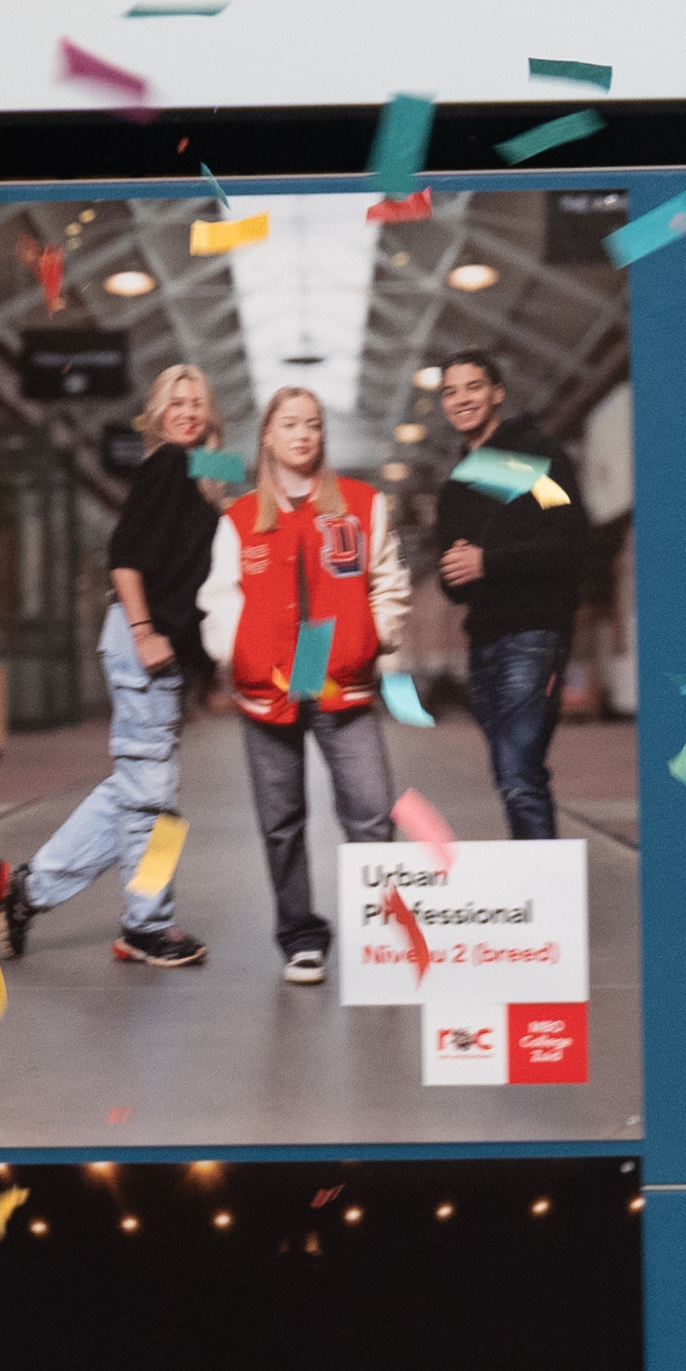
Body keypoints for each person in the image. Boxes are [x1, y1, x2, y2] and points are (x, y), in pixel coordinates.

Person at [0, 363, 221, 973]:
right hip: (141, 637)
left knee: (135, 790)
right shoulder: (167, 464)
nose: (188, 411)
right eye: (175, 401)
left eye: (197, 401)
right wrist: (146, 630)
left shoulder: (199, 472)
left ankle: (28, 889)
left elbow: (247, 490)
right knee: (153, 798)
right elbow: (124, 558)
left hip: (160, 646)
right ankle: (145, 925)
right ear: (156, 413)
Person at [216, 387, 407, 986]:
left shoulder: (362, 505)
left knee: (372, 813)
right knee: (282, 819)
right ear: (267, 436)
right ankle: (301, 937)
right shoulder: (241, 518)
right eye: (290, 424)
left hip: (339, 678)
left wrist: (372, 636)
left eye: (314, 425)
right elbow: (219, 598)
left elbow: (388, 581)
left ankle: (381, 938)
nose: (303, 434)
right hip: (267, 683)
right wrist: (238, 651)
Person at [427, 349, 587, 839]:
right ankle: (537, 885)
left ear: (497, 393)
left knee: (518, 771)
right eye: (450, 392)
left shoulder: (536, 458)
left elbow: (569, 540)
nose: (462, 400)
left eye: (472, 387)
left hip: (533, 633)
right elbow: (452, 578)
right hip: (485, 641)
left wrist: (487, 561)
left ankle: (546, 900)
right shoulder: (457, 484)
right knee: (511, 772)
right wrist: (454, 573)